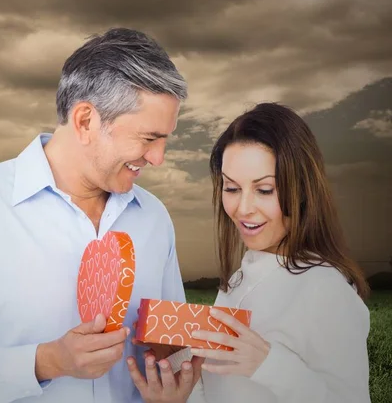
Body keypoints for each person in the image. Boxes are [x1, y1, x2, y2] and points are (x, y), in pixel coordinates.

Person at [0, 27, 202, 403]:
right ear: (86, 120)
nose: (158, 158)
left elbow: (172, 351)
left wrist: (182, 376)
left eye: (166, 139)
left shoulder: (154, 218)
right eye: (148, 138)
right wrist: (46, 362)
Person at [130, 102, 371, 402]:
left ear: (303, 189)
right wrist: (177, 367)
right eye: (231, 188)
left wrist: (268, 364)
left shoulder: (327, 289)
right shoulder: (239, 281)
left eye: (265, 190)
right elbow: (221, 389)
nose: (243, 209)